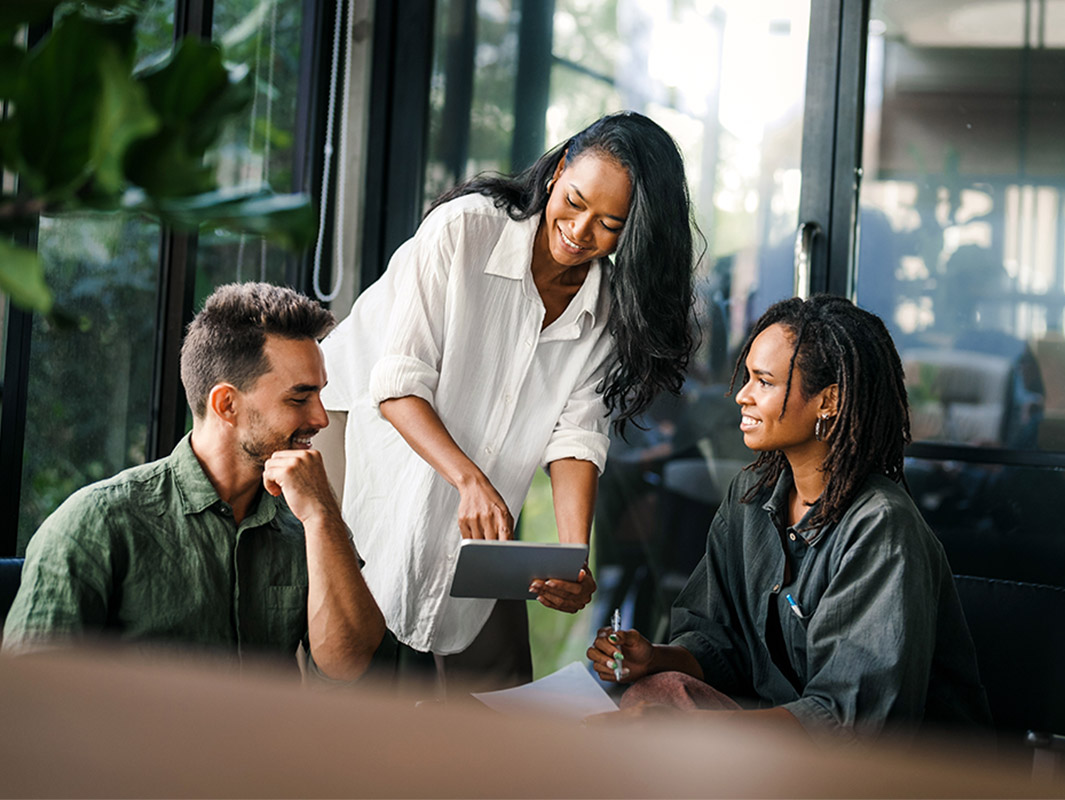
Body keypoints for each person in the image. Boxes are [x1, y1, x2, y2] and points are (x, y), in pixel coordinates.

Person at [319, 110, 696, 693]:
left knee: (490, 667)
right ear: (559, 170)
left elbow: (577, 435)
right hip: (358, 424)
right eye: (574, 201)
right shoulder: (463, 230)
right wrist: (468, 479)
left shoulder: (609, 309)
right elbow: (396, 384)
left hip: (479, 460)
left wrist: (573, 556)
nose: (579, 230)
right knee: (346, 635)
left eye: (609, 224)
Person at [587, 295, 991, 740]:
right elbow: (720, 641)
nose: (741, 395)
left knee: (661, 719)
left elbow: (849, 720)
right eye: (748, 378)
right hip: (787, 746)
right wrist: (659, 657)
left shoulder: (881, 528)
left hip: (890, 772)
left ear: (828, 401)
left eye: (764, 381)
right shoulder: (750, 496)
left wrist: (697, 731)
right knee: (658, 688)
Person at [4, 283, 396, 683]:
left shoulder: (308, 523)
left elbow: (348, 665)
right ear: (227, 404)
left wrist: (322, 515)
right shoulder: (98, 522)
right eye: (299, 398)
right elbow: (31, 698)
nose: (321, 418)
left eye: (319, 394)